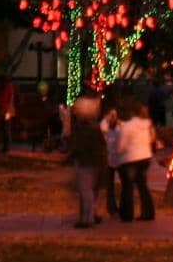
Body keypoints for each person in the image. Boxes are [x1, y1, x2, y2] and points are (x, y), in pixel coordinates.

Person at [63, 95, 107, 228]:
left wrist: (70, 156)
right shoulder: (95, 126)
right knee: (90, 191)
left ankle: (87, 219)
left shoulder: (84, 128)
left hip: (86, 161)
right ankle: (90, 215)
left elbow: (79, 145)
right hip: (96, 161)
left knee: (85, 190)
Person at [111, 99, 156, 221]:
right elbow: (152, 139)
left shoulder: (127, 127)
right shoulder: (146, 125)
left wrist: (118, 153)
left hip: (130, 158)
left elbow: (121, 145)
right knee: (143, 186)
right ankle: (148, 212)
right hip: (145, 157)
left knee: (127, 187)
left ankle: (127, 214)